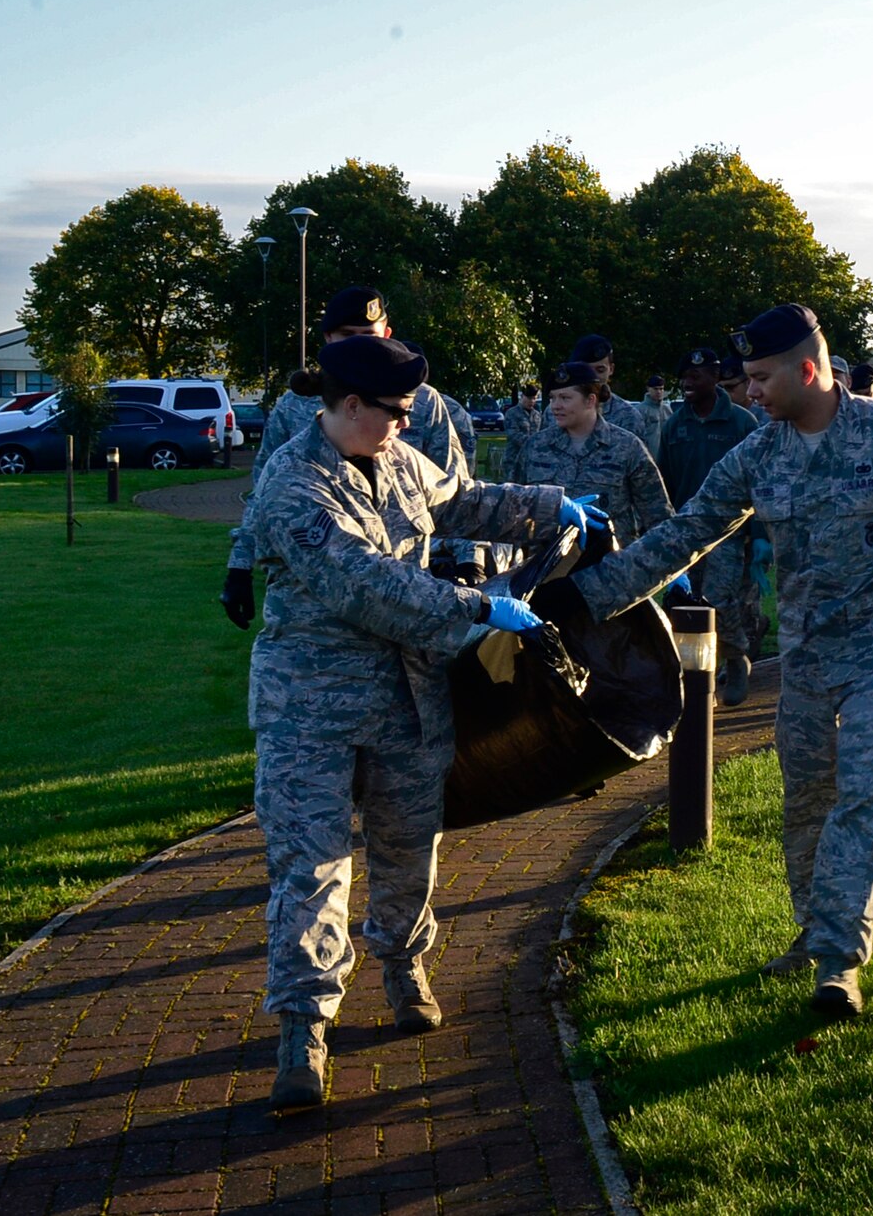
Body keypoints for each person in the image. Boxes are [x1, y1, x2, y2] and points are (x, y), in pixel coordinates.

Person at [536, 304, 873, 1021]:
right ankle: (813, 931)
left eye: (759, 378)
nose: (749, 392)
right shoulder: (761, 455)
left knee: (866, 795)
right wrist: (584, 597)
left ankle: (839, 960)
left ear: (808, 369)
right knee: (808, 803)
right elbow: (687, 532)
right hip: (809, 655)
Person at [242, 334, 607, 1110]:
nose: (406, 427)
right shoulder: (292, 486)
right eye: (395, 414)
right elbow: (367, 585)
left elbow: (461, 499)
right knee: (310, 867)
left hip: (406, 700)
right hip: (311, 709)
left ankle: (405, 966)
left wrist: (550, 508)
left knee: (410, 845)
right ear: (348, 406)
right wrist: (478, 607)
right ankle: (303, 1028)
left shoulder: (399, 456)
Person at [221, 287, 471, 628]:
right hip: (318, 590)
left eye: (368, 335)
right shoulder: (294, 405)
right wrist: (239, 565)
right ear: (327, 338)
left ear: (387, 334)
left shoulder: (423, 404)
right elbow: (263, 490)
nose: (359, 345)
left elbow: (454, 490)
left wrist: (467, 563)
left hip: (407, 583)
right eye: (347, 336)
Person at [656, 345, 764, 706]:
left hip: (729, 530)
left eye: (696, 376)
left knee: (719, 599)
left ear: (715, 378)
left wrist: (760, 536)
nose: (687, 383)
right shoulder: (675, 425)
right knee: (690, 604)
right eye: (684, 376)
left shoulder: (741, 423)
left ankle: (734, 659)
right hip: (686, 530)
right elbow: (665, 484)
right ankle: (698, 675)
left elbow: (759, 484)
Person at [514, 361, 673, 547]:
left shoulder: (627, 446)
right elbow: (514, 505)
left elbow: (658, 515)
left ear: (590, 400)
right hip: (544, 566)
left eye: (565, 398)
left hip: (610, 568)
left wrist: (670, 568)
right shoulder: (535, 447)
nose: (555, 406)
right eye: (553, 398)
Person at [569, 333, 652, 443]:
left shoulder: (628, 416)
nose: (593, 377)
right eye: (586, 370)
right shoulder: (556, 413)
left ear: (611, 369)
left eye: (600, 370)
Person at [501, 384, 544, 477]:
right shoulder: (512, 413)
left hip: (532, 460)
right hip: (514, 459)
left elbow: (541, 432)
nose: (531, 401)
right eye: (529, 398)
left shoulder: (537, 415)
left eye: (534, 398)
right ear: (522, 396)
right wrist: (533, 442)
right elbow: (513, 434)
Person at [719, 352, 769, 423]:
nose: (725, 393)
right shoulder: (719, 415)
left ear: (748, 383)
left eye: (730, 387)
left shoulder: (767, 414)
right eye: (720, 388)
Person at [636, 374, 671, 458]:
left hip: (666, 458)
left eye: (661, 389)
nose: (659, 392)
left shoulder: (667, 409)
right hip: (648, 458)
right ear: (648, 389)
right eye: (655, 389)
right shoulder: (640, 410)